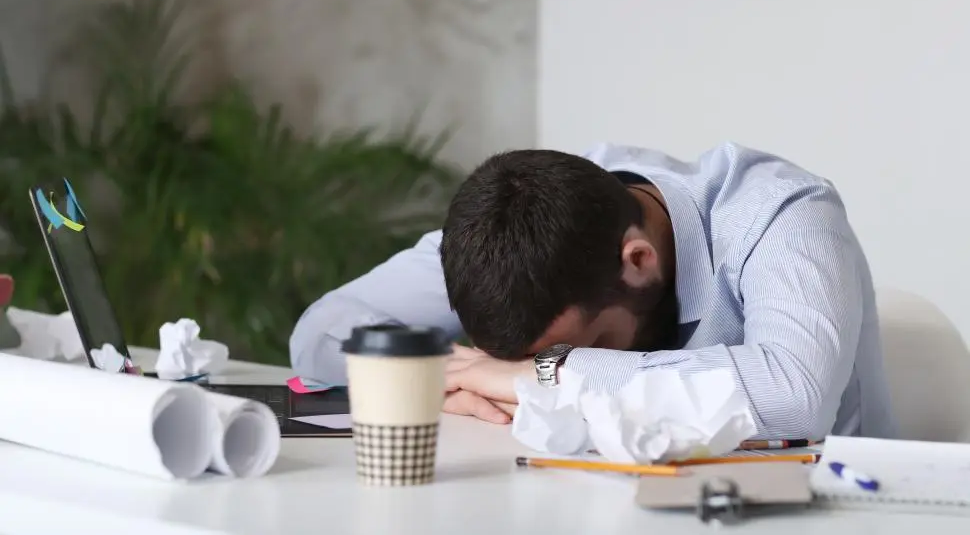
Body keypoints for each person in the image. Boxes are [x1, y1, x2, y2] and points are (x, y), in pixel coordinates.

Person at [289, 142, 896, 439]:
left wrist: (551, 372)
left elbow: (797, 395)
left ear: (638, 262)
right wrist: (447, 368)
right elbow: (321, 330)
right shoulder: (521, 221)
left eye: (572, 344)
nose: (523, 369)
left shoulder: (777, 212)